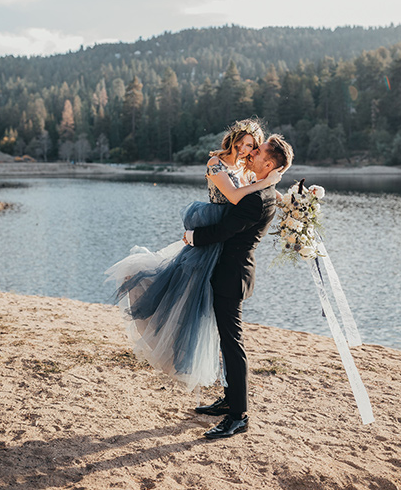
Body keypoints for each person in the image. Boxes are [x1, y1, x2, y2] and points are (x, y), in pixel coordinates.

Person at [105, 119, 282, 394]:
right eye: (244, 143)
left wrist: (287, 199)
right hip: (213, 233)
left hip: (226, 241)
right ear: (234, 139)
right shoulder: (216, 164)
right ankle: (219, 388)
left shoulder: (245, 169)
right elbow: (236, 197)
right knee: (185, 297)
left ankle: (231, 396)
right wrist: (268, 182)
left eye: (252, 146)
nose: (247, 150)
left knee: (218, 324)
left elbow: (259, 195)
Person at [185, 133, 294, 439]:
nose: (253, 152)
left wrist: (193, 238)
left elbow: (223, 230)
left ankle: (238, 415)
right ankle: (230, 400)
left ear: (268, 163)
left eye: (258, 151)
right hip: (232, 272)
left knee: (233, 344)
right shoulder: (262, 190)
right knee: (227, 341)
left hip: (232, 276)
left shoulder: (258, 199)